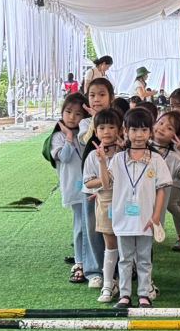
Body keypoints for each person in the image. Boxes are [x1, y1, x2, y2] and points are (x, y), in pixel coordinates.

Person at [92, 108, 170, 308]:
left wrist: (156, 216)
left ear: (150, 132)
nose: (139, 135)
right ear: (125, 131)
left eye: (144, 130)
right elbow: (106, 184)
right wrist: (102, 162)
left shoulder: (156, 160)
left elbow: (162, 189)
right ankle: (125, 295)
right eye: (134, 130)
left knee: (144, 259)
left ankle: (144, 294)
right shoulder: (118, 159)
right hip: (123, 219)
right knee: (125, 259)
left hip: (146, 219)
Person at [81, 108, 125, 302]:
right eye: (102, 128)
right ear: (95, 131)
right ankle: (108, 283)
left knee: (127, 245)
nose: (106, 131)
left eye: (111, 127)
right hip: (105, 202)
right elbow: (88, 183)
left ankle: (125, 283)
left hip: (126, 203)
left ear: (120, 130)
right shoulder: (93, 155)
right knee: (110, 244)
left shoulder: (125, 152)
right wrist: (105, 176)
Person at [50, 94, 94, 283]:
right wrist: (68, 137)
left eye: (77, 114)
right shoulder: (58, 137)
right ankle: (80, 262)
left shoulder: (84, 133)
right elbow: (65, 157)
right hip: (74, 188)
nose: (72, 117)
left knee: (90, 225)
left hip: (91, 185)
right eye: (68, 112)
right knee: (80, 226)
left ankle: (90, 260)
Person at [153, 109, 180, 251]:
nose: (162, 128)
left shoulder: (175, 158)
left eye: (169, 128)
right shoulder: (141, 148)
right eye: (160, 123)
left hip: (160, 201)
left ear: (176, 136)